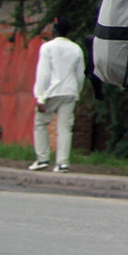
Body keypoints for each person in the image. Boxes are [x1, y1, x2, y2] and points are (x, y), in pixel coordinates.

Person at [28, 19, 85, 173]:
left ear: (54, 31)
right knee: (65, 127)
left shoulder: (47, 47)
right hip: (70, 92)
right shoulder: (76, 48)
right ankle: (62, 163)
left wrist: (40, 96)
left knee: (40, 123)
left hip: (51, 92)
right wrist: (77, 92)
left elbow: (44, 73)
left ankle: (42, 159)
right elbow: (80, 75)